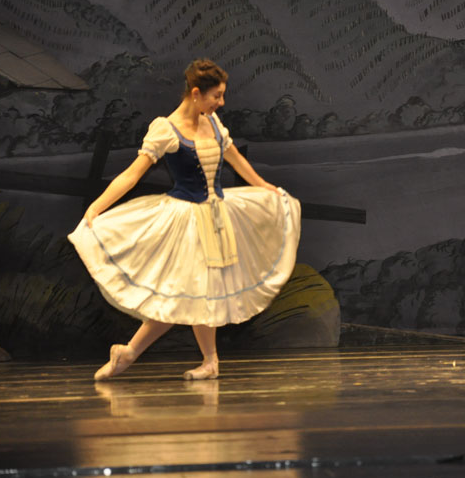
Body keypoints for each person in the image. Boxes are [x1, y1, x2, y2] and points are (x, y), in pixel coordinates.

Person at [69, 58, 301, 380]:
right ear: (196, 93)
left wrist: (264, 186)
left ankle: (191, 360)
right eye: (216, 96)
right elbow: (132, 175)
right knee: (186, 294)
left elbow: (234, 159)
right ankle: (138, 354)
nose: (221, 102)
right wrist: (96, 207)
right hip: (186, 221)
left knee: (198, 294)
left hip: (217, 217)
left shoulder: (213, 122)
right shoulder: (167, 128)